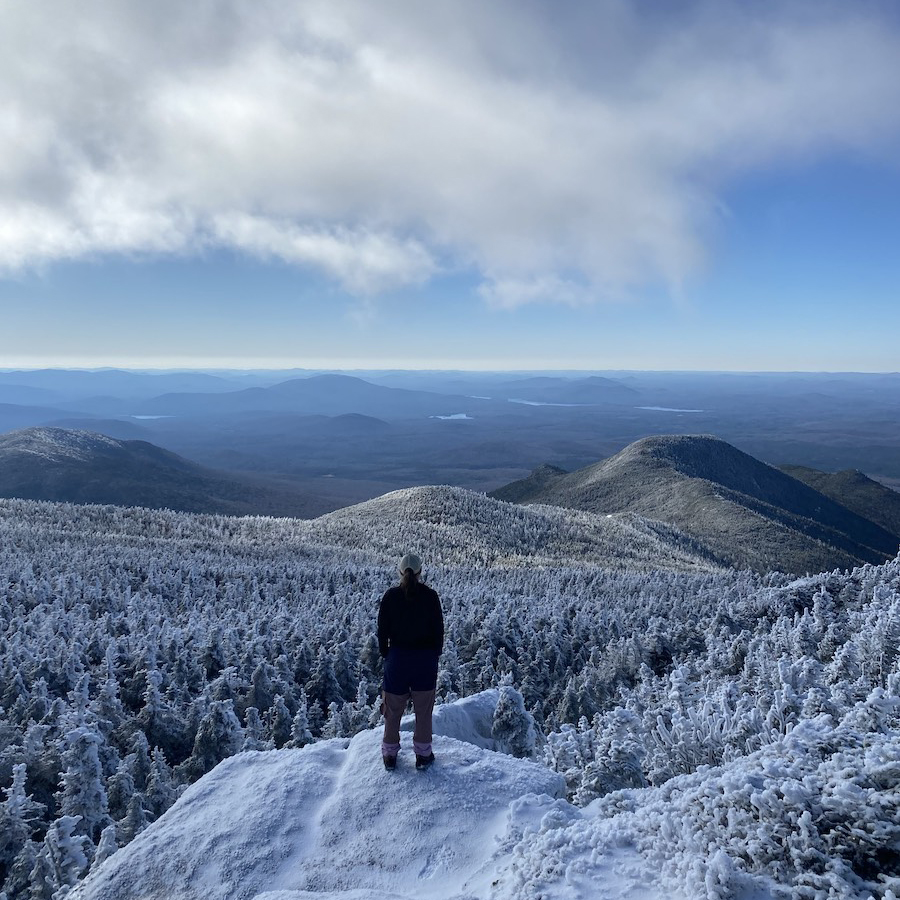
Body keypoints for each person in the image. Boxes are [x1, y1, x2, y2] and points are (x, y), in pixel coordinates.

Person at [377, 552, 444, 770]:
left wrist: (387, 654)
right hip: (424, 661)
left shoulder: (390, 596)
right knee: (423, 712)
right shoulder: (431, 596)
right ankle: (423, 756)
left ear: (399, 572)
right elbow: (438, 631)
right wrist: (434, 654)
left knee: (392, 710)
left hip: (397, 659)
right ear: (420, 572)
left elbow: (382, 631)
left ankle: (389, 755)